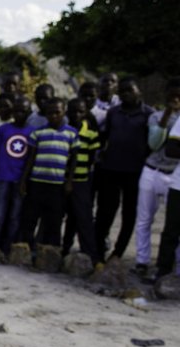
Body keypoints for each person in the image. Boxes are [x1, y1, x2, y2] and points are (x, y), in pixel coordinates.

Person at [95, 78, 153, 262]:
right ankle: (97, 251)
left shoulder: (148, 114)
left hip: (135, 172)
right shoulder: (113, 113)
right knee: (105, 211)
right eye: (122, 91)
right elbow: (104, 137)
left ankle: (118, 253)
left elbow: (152, 144)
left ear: (138, 91)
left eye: (130, 90)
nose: (126, 94)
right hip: (111, 169)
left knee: (129, 214)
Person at [134, 79, 180, 277]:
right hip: (153, 171)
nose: (175, 99)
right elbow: (154, 144)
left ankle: (174, 267)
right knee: (144, 219)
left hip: (175, 174)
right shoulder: (156, 116)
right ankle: (142, 261)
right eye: (172, 95)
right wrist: (168, 115)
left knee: (173, 225)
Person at [18, 97, 77, 249]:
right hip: (37, 182)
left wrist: (69, 181)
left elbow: (74, 160)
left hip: (57, 185)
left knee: (54, 219)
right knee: (30, 217)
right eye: (50, 113)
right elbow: (30, 158)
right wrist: (24, 180)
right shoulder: (38, 133)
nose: (54, 116)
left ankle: (53, 251)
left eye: (57, 112)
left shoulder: (71, 134)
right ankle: (27, 249)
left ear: (64, 112)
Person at [0, 96, 33, 254]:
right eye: (17, 111)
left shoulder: (32, 132)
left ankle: (7, 249)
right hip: (2, 178)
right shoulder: (3, 129)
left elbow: (31, 159)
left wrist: (24, 180)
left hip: (19, 180)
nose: (20, 114)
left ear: (29, 112)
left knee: (14, 217)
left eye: (24, 111)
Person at [62, 97, 100, 261]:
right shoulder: (61, 130)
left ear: (86, 113)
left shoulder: (90, 133)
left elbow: (92, 157)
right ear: (67, 112)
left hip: (81, 180)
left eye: (80, 111)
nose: (76, 114)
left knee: (83, 217)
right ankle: (60, 249)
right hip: (60, 180)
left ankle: (90, 254)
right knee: (58, 216)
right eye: (73, 111)